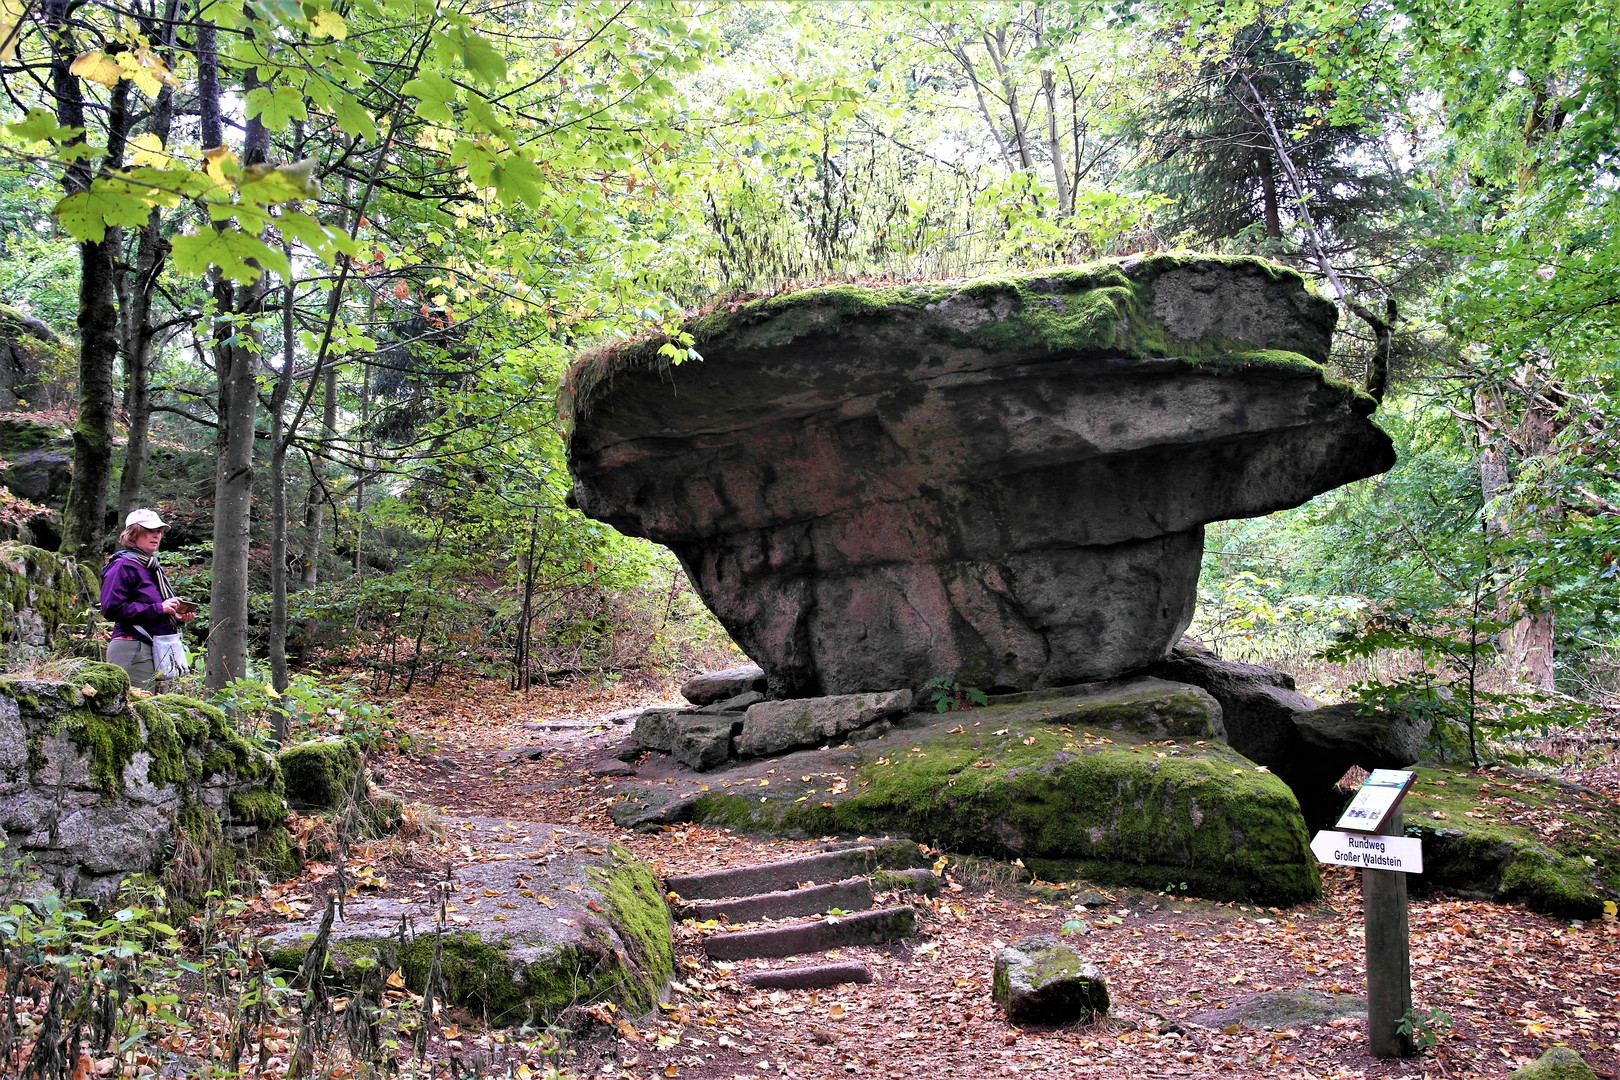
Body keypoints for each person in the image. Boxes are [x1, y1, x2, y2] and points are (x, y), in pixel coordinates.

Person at [100, 508, 196, 689]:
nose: (156, 536)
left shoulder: (151, 567)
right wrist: (160, 608)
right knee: (136, 710)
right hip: (132, 649)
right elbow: (111, 608)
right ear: (133, 534)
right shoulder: (122, 565)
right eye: (149, 531)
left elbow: (152, 609)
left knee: (154, 713)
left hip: (157, 650)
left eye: (159, 531)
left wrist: (174, 617)